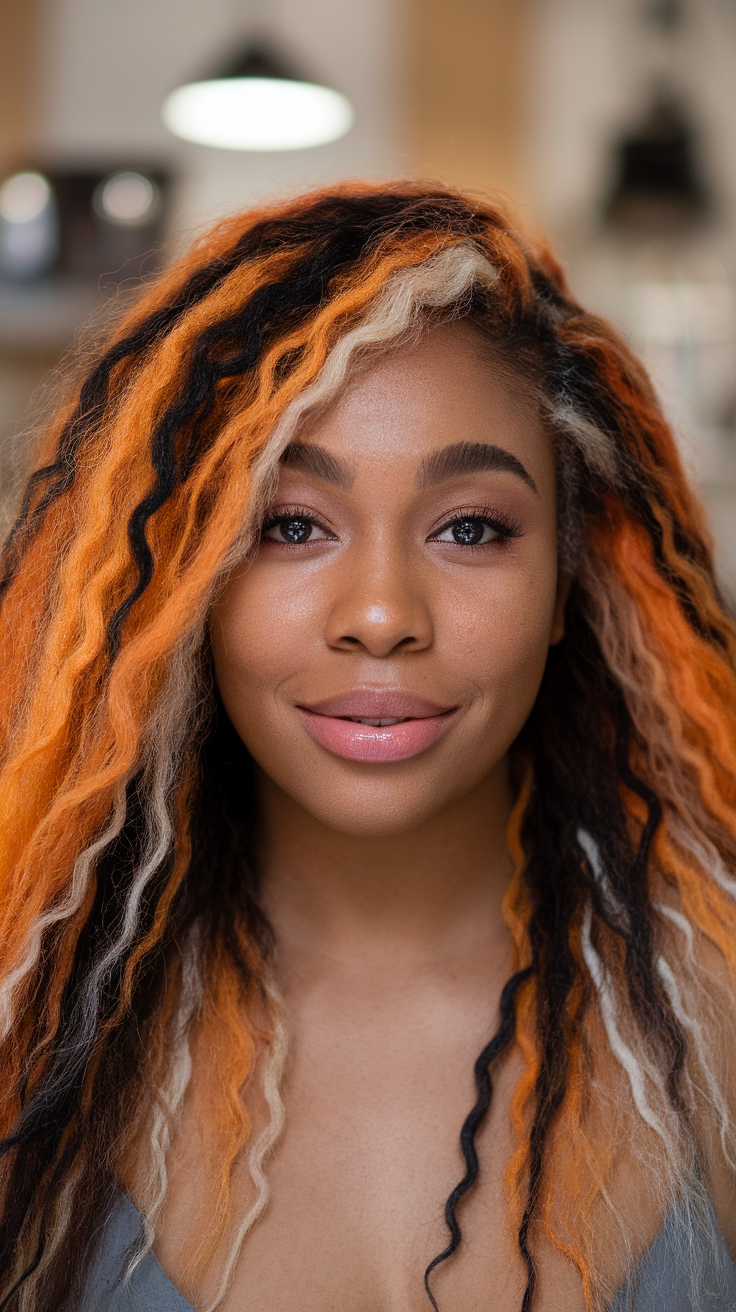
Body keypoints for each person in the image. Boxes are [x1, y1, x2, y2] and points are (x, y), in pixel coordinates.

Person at [0, 182, 734, 1312]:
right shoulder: (27, 1026)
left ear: (563, 582)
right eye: (290, 525)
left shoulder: (718, 1018)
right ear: (184, 581)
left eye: (470, 527)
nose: (382, 611)